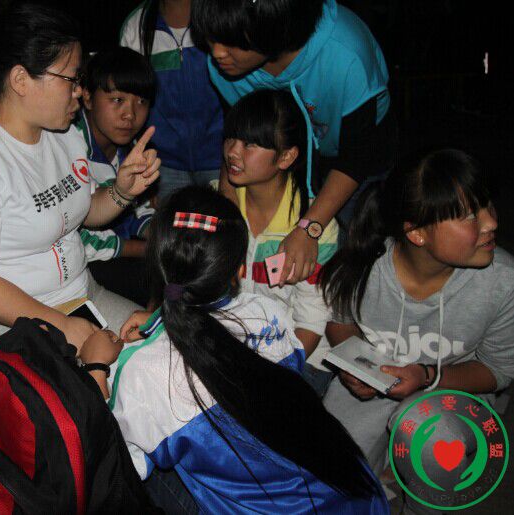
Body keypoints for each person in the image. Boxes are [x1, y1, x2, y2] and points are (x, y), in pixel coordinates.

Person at [80, 186, 388, 514]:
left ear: (156, 266)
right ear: (239, 270)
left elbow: (113, 464)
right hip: (361, 497)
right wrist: (160, 322)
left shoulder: (141, 373)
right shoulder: (266, 313)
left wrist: (95, 369)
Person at [0, 4, 159, 357]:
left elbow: (82, 212)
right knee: (101, 382)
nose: (79, 91)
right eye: (71, 79)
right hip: (3, 325)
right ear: (21, 80)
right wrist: (61, 325)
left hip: (79, 295)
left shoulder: (64, 135)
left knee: (159, 350)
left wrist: (122, 192)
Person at [319, 149, 514, 474]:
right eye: (470, 215)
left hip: (454, 395)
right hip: (375, 385)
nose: (491, 222)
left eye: (487, 205)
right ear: (417, 233)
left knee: (432, 438)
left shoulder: (504, 283)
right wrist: (354, 368)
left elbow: (497, 370)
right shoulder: (363, 263)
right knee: (330, 472)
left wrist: (427, 377)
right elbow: (340, 322)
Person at [191, 0, 396, 286]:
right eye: (211, 38)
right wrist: (228, 201)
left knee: (356, 253)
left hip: (354, 158)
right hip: (282, 155)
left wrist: (309, 228)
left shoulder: (345, 53)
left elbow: (356, 156)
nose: (217, 53)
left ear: (272, 28)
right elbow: (238, 134)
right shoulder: (226, 67)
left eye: (231, 41)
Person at [221, 89, 339, 396]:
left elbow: (311, 322)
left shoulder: (315, 228)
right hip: (238, 346)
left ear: (286, 156)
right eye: (231, 138)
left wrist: (270, 374)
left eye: (250, 144)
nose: (233, 152)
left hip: (301, 355)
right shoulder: (219, 206)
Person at [121, 0, 224, 200]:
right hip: (163, 165)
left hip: (222, 160)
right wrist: (143, 171)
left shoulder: (221, 13)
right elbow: (128, 100)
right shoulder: (137, 25)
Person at [75, 46, 157, 263]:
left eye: (141, 102)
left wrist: (163, 236)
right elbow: (73, 237)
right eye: (118, 100)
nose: (130, 114)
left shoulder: (133, 148)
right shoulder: (68, 145)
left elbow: (138, 211)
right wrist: (147, 250)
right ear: (87, 97)